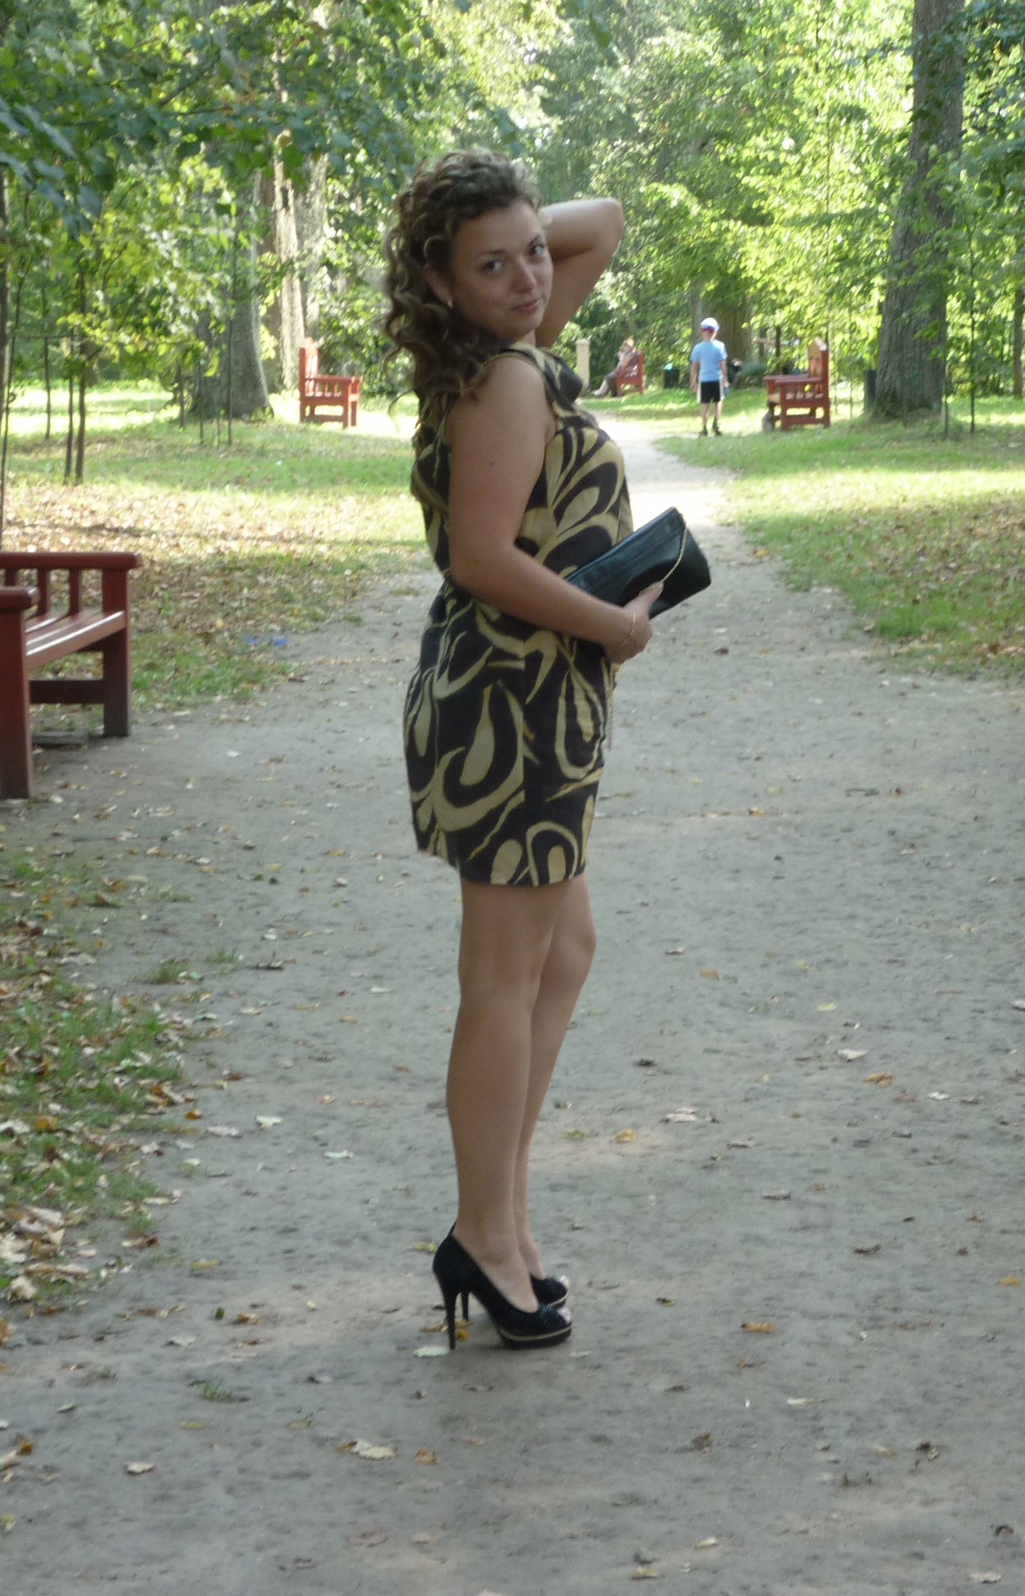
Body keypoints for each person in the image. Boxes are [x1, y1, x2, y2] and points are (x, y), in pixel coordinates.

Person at [388, 151, 653, 1351]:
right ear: (441, 286)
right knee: (503, 980)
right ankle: (482, 1236)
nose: (531, 278)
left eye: (533, 253)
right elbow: (481, 558)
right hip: (511, 706)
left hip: (525, 699)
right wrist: (614, 625)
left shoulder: (506, 349)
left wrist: (499, 232)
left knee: (561, 953)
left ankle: (502, 1215)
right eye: (490, 266)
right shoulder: (501, 378)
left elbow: (603, 222)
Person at [689, 316, 730, 435]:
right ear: (715, 332)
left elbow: (694, 367)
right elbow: (723, 364)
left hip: (704, 380)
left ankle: (704, 428)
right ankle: (716, 425)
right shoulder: (720, 346)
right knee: (718, 402)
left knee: (704, 404)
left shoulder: (698, 348)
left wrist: (693, 382)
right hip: (717, 379)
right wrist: (725, 379)